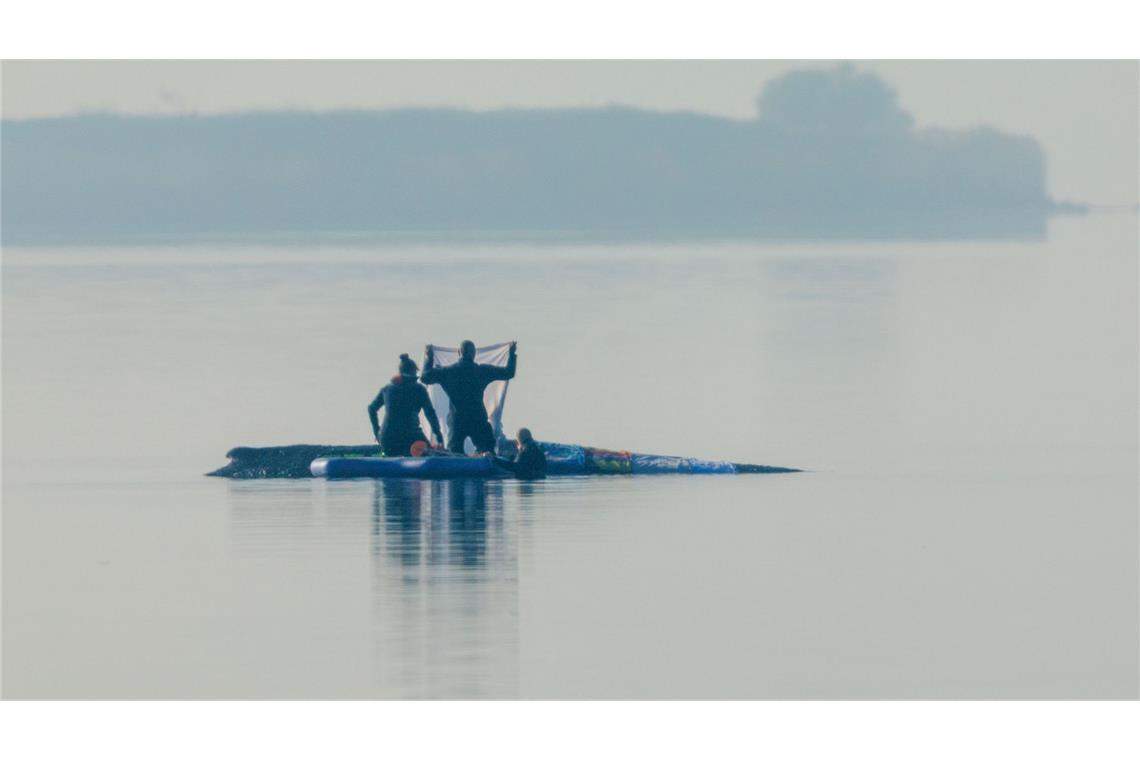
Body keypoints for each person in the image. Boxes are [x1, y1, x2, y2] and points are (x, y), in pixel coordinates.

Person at [421, 340, 517, 453]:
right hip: (477, 418)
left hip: (457, 420)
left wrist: (429, 357)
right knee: (487, 450)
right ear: (474, 354)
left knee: (454, 454)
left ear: (459, 353)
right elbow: (509, 372)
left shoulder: (449, 372)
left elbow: (425, 377)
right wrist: (512, 353)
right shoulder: (481, 371)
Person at [367, 353, 444, 457]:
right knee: (432, 453)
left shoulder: (387, 389)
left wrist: (377, 432)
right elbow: (430, 413)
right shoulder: (418, 389)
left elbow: (371, 408)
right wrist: (438, 435)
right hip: (410, 437)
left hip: (387, 440)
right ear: (413, 373)